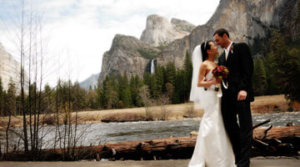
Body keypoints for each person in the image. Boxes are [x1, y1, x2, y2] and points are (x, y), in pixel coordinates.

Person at [188, 40, 236, 167]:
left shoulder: (216, 63)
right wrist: (211, 82)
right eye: (213, 46)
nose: (216, 46)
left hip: (219, 94)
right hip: (210, 95)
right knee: (210, 119)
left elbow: (219, 80)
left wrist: (220, 79)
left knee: (220, 121)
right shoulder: (204, 64)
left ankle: (223, 156)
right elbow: (199, 83)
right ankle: (207, 154)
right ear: (208, 51)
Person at [213, 28, 254, 167]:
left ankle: (244, 162)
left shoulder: (241, 47)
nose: (216, 43)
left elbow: (248, 70)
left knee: (245, 127)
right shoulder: (221, 58)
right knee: (229, 125)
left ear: (225, 36)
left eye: (217, 40)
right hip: (227, 97)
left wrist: (243, 89)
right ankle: (238, 157)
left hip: (241, 94)